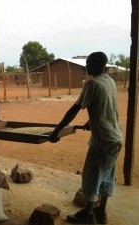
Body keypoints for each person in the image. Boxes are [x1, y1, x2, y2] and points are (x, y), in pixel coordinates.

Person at [49, 52, 123, 224]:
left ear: (98, 64)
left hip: (103, 140)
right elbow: (105, 105)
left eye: (89, 63)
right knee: (107, 175)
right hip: (115, 138)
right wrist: (91, 121)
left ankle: (88, 213)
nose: (86, 67)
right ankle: (101, 212)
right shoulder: (109, 81)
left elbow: (73, 110)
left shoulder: (92, 84)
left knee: (91, 176)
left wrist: (56, 132)